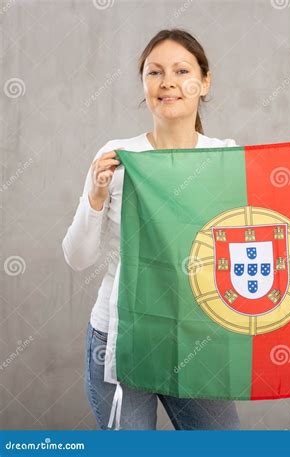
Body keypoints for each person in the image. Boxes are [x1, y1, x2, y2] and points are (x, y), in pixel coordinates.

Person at [62, 29, 241, 430]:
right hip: (122, 339)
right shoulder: (118, 158)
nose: (168, 83)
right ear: (143, 83)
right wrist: (94, 195)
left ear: (205, 80)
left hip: (196, 338)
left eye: (181, 70)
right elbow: (77, 258)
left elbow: (244, 246)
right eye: (154, 72)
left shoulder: (226, 157)